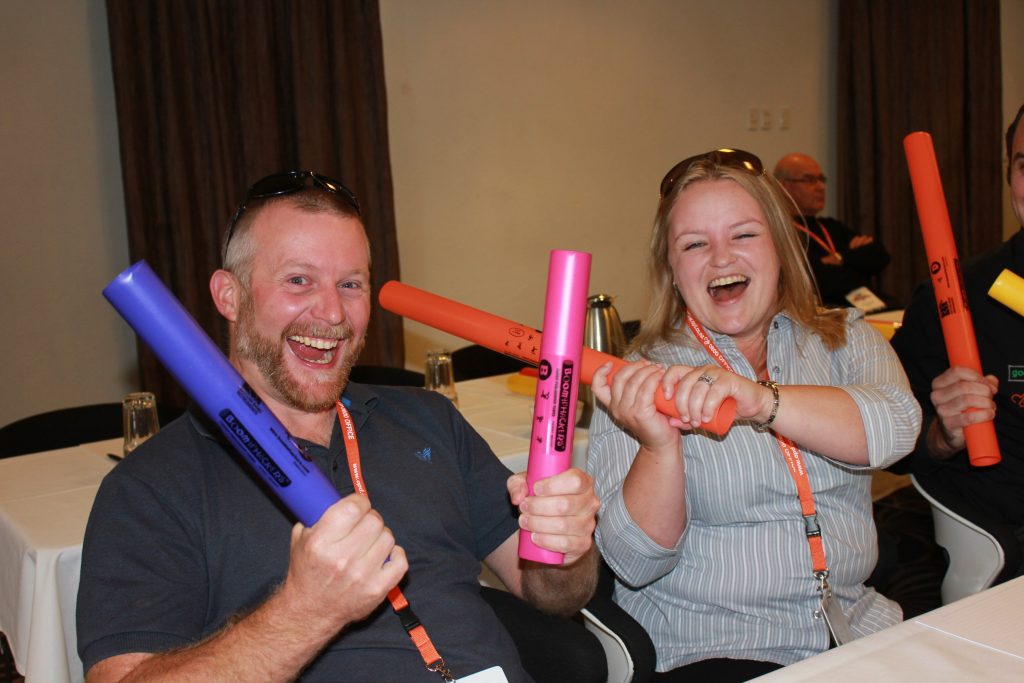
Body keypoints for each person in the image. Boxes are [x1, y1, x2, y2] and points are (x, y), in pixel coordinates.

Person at [76, 171, 602, 682]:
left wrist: (568, 547)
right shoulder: (152, 485)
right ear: (229, 295)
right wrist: (304, 612)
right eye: (298, 280)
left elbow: (553, 594)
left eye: (350, 284)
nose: (331, 313)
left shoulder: (428, 418)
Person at [586, 149, 922, 680]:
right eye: (694, 244)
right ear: (672, 270)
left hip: (860, 626)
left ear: (781, 248)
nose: (721, 259)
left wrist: (760, 399)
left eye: (743, 235)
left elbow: (897, 428)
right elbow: (633, 562)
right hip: (717, 648)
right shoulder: (644, 375)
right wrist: (658, 447)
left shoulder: (845, 336)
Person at [890, 104, 1024, 578]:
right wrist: (942, 435)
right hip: (1008, 541)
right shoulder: (959, 295)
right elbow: (894, 440)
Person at [774, 153, 892, 309]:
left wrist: (838, 258)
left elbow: (879, 255)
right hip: (826, 313)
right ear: (784, 186)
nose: (821, 187)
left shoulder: (831, 226)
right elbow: (816, 279)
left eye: (821, 179)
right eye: (810, 180)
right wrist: (855, 263)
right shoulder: (780, 232)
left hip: (867, 305)